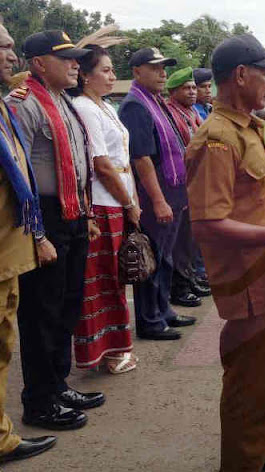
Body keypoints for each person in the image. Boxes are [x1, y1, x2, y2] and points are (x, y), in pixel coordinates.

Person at [185, 33, 265, 472]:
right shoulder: (216, 138)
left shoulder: (244, 127)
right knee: (248, 377)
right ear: (240, 75)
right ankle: (239, 469)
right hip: (249, 281)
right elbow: (207, 224)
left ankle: (258, 447)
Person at [6, 30, 106, 431]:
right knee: (41, 313)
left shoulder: (65, 101)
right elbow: (18, 173)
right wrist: (37, 235)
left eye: (76, 58)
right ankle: (39, 401)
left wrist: (85, 213)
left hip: (72, 213)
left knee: (67, 304)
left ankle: (57, 383)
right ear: (38, 63)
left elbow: (76, 161)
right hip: (44, 218)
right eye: (64, 58)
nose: (74, 65)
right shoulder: (25, 103)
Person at [0, 20, 57, 472]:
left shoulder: (5, 107)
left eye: (11, 48)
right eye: (1, 47)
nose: (10, 56)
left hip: (10, 248)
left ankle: (1, 435)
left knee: (4, 344)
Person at [70, 36, 141, 374]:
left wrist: (132, 198)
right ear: (85, 75)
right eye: (106, 70)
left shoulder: (105, 106)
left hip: (119, 197)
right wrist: (128, 202)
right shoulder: (84, 107)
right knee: (102, 283)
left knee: (115, 278)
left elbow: (121, 158)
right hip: (103, 201)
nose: (113, 76)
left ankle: (115, 350)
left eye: (114, 70)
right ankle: (106, 354)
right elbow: (101, 163)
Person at [118, 47, 197, 341]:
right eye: (155, 67)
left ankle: (163, 310)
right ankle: (150, 320)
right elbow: (141, 158)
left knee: (165, 257)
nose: (163, 73)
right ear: (137, 71)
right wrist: (159, 200)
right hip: (156, 195)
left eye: (164, 67)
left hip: (173, 191)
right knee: (151, 257)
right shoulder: (135, 105)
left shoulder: (154, 101)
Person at [165, 66, 211, 308]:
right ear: (173, 91)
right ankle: (180, 286)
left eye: (194, 87)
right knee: (181, 240)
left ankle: (190, 278)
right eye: (187, 88)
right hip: (181, 183)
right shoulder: (172, 113)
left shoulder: (192, 112)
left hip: (195, 181)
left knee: (192, 238)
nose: (193, 92)